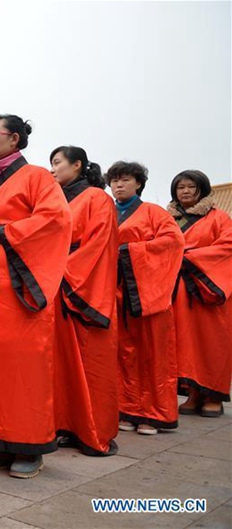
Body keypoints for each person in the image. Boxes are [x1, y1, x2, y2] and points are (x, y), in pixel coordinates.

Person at [0, 114, 71, 479]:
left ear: (16, 139)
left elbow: (55, 220)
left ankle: (30, 446)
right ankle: (0, 441)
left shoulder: (37, 177)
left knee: (25, 367)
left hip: (21, 287)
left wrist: (6, 232)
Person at [49, 146, 119, 456]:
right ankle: (64, 424)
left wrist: (63, 271)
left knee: (91, 363)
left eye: (57, 162)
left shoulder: (97, 198)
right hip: (53, 285)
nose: (51, 169)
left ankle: (93, 429)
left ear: (77, 165)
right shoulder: (53, 200)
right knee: (59, 364)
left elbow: (100, 244)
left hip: (81, 285)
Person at [109, 161, 184, 435]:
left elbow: (172, 244)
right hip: (115, 293)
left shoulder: (155, 213)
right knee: (123, 353)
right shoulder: (107, 212)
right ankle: (127, 409)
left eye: (126, 179)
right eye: (115, 180)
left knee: (154, 354)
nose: (119, 185)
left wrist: (128, 252)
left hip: (148, 292)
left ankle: (153, 413)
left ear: (138, 183)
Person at [168, 170, 232, 417]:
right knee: (184, 342)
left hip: (208, 288)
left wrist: (191, 258)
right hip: (177, 290)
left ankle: (214, 394)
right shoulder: (167, 218)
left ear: (202, 189)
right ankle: (193, 393)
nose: (184, 191)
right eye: (180, 187)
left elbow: (228, 247)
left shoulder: (219, 218)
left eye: (190, 187)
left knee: (212, 342)